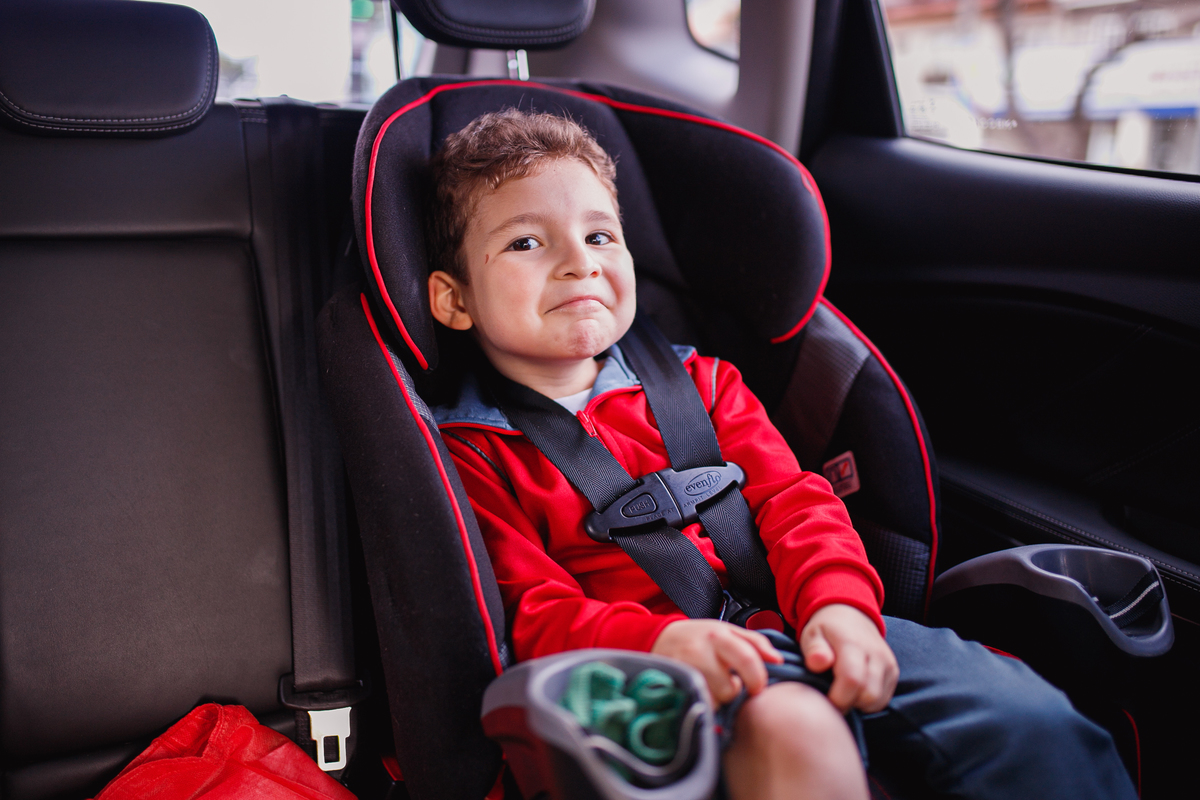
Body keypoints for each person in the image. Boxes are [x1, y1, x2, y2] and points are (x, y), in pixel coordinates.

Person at [424, 108, 1136, 800]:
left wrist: (840, 606)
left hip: (808, 620)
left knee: (1031, 718)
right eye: (526, 243)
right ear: (454, 300)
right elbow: (529, 610)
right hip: (656, 679)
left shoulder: (704, 384)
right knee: (796, 729)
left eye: (602, 236)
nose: (580, 263)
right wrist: (663, 648)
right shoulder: (472, 453)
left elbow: (795, 501)